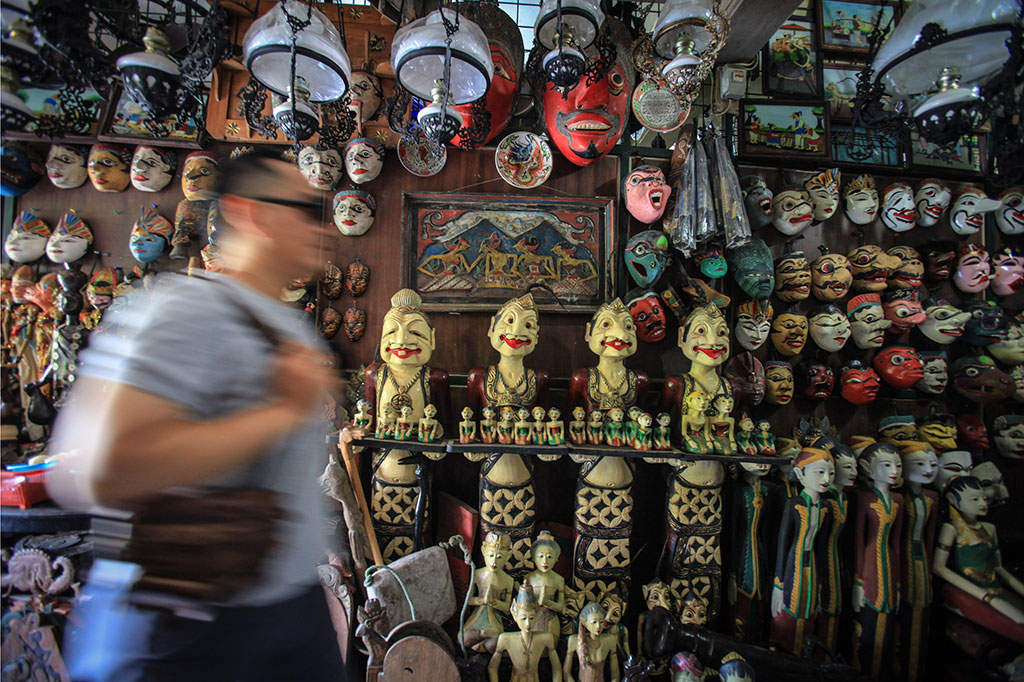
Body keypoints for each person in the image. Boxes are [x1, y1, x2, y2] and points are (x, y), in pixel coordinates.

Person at [48, 147, 356, 681]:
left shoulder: (286, 326)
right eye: (304, 211)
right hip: (199, 624)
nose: (321, 227)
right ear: (247, 210)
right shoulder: (184, 310)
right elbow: (103, 469)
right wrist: (280, 411)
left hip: (284, 601)